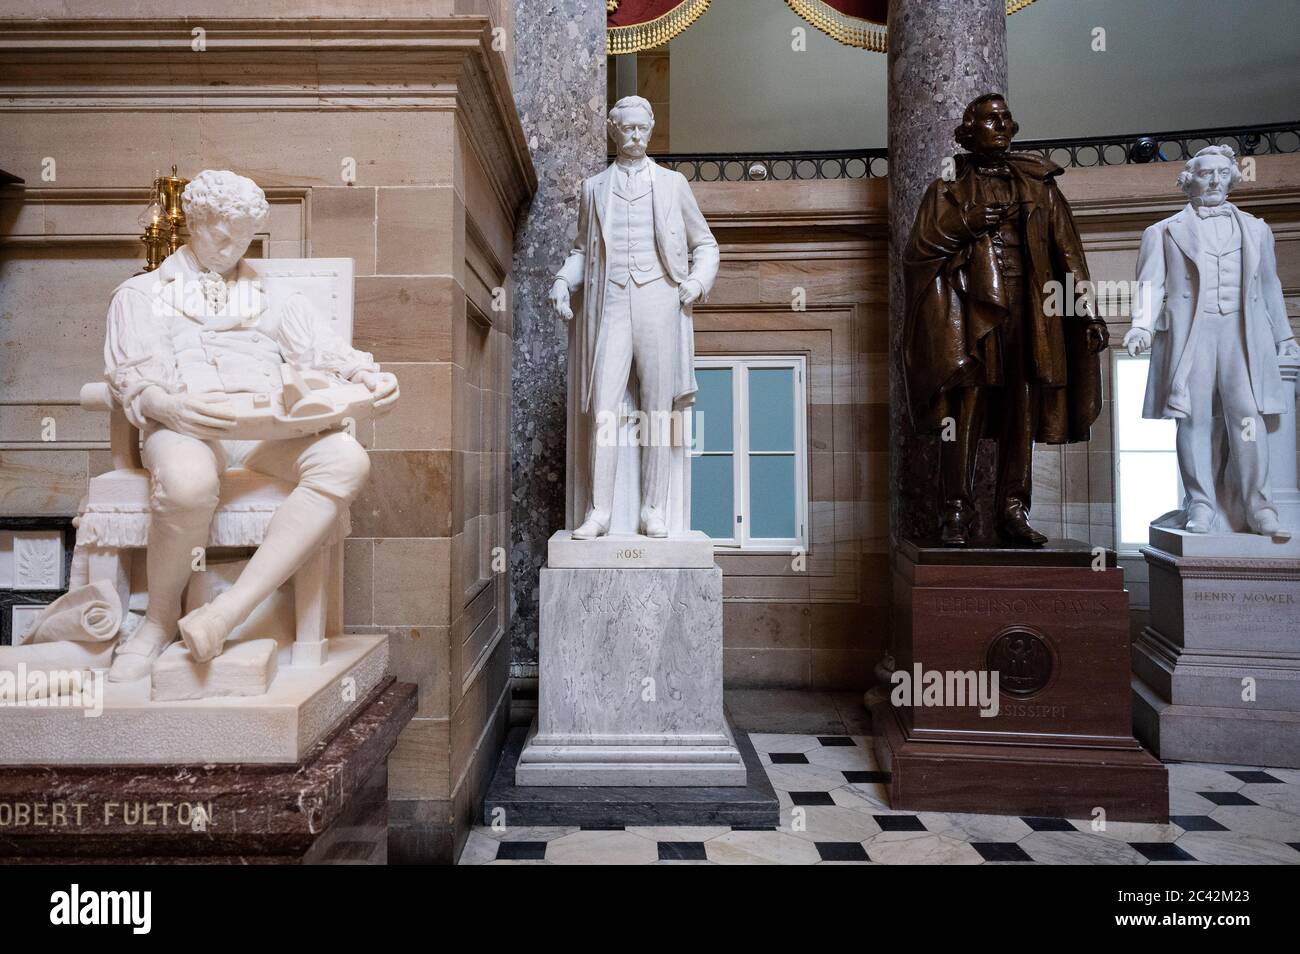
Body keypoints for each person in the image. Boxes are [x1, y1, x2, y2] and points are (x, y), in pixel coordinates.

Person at [102, 169, 398, 679]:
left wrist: (370, 376)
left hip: (267, 432)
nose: (234, 246)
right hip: (188, 427)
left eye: (245, 236)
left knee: (346, 459)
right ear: (194, 222)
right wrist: (166, 407)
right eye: (223, 233)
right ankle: (157, 620)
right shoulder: (143, 294)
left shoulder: (275, 296)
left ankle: (225, 614)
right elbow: (131, 378)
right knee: (188, 483)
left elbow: (328, 353)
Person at [903, 93, 1109, 546]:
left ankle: (1013, 510)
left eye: (1005, 119)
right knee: (966, 410)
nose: (1000, 126)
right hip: (971, 309)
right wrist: (966, 223)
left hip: (1032, 307)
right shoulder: (946, 188)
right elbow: (917, 251)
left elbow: (1067, 251)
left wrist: (1088, 312)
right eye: (989, 119)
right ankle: (955, 511)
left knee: (1023, 408)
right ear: (968, 130)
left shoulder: (1040, 184)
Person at [550, 96, 719, 539]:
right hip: (611, 304)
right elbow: (582, 253)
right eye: (628, 129)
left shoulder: (673, 184)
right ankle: (599, 511)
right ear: (613, 129)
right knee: (602, 406)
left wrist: (697, 283)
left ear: (652, 128)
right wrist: (563, 282)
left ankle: (653, 509)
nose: (636, 136)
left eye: (643, 128)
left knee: (657, 409)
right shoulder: (593, 189)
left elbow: (707, 245)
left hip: (659, 299)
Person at [1125, 145, 1298, 536]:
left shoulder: (1257, 229)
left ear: (1233, 178)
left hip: (1242, 333)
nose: (1215, 180)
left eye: (1222, 173)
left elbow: (1270, 286)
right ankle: (1200, 505)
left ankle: (1259, 507)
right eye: (1206, 173)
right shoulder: (1164, 231)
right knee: (1193, 419)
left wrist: (1284, 335)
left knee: (1248, 417)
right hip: (1191, 334)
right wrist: (1140, 326)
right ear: (1189, 181)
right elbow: (1150, 285)